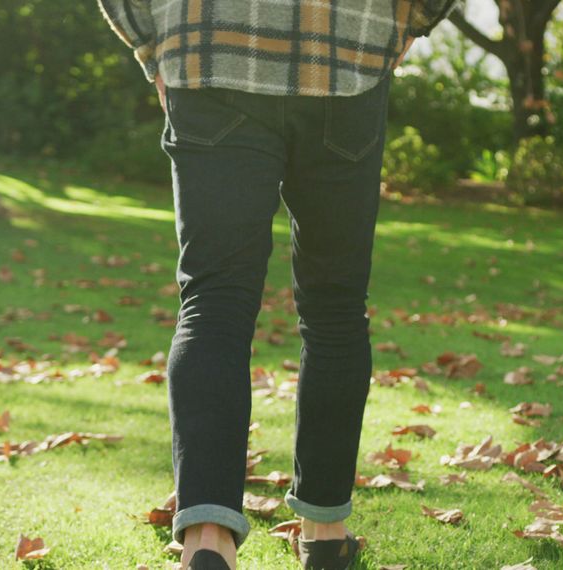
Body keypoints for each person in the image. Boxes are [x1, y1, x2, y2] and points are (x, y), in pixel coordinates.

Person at [97, 1, 460, 568]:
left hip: (209, 46)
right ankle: (326, 534)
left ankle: (207, 539)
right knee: (336, 307)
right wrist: (408, 24)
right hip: (347, 51)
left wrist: (152, 44)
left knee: (213, 302)